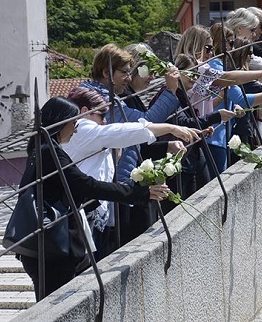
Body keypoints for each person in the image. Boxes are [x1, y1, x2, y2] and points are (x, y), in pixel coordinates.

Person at [17, 96, 170, 301]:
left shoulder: (38, 150)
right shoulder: (50, 153)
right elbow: (86, 184)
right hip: (53, 245)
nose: (76, 129)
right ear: (61, 123)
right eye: (74, 123)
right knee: (58, 303)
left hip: (42, 244)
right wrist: (139, 194)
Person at [64, 87, 202, 260]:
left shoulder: (87, 134)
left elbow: (122, 142)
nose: (105, 121)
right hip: (83, 210)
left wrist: (166, 144)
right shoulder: (83, 128)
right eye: (102, 115)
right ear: (85, 111)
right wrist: (171, 128)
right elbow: (124, 132)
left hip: (92, 210)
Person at [79, 43, 184, 246]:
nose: (128, 78)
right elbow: (143, 123)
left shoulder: (107, 96)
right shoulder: (101, 100)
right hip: (105, 183)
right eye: (124, 72)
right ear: (106, 72)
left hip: (114, 178)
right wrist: (170, 91)